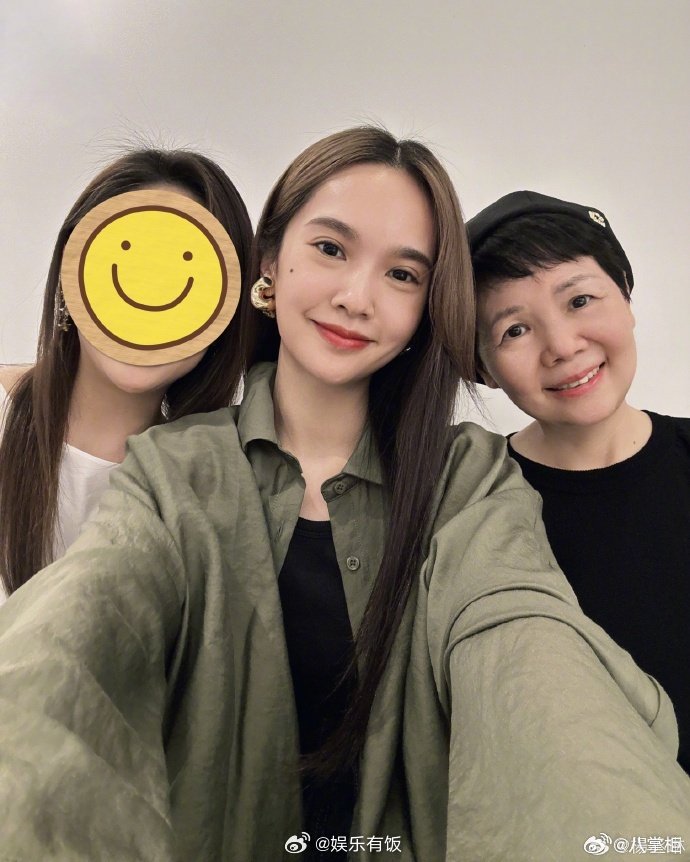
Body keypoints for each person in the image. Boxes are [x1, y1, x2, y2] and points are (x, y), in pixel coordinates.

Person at [1, 131, 689, 862]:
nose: (356, 298)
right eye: (331, 248)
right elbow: (81, 625)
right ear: (269, 262)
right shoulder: (174, 467)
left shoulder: (469, 478)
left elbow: (526, 644)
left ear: (428, 307)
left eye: (402, 274)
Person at [469, 190, 690, 774]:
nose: (563, 347)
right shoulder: (472, 507)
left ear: (627, 295)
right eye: (515, 330)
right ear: (482, 368)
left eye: (581, 300)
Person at [0, 148, 252, 602]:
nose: (149, 303)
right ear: (71, 276)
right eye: (132, 259)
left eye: (185, 274)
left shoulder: (213, 491)